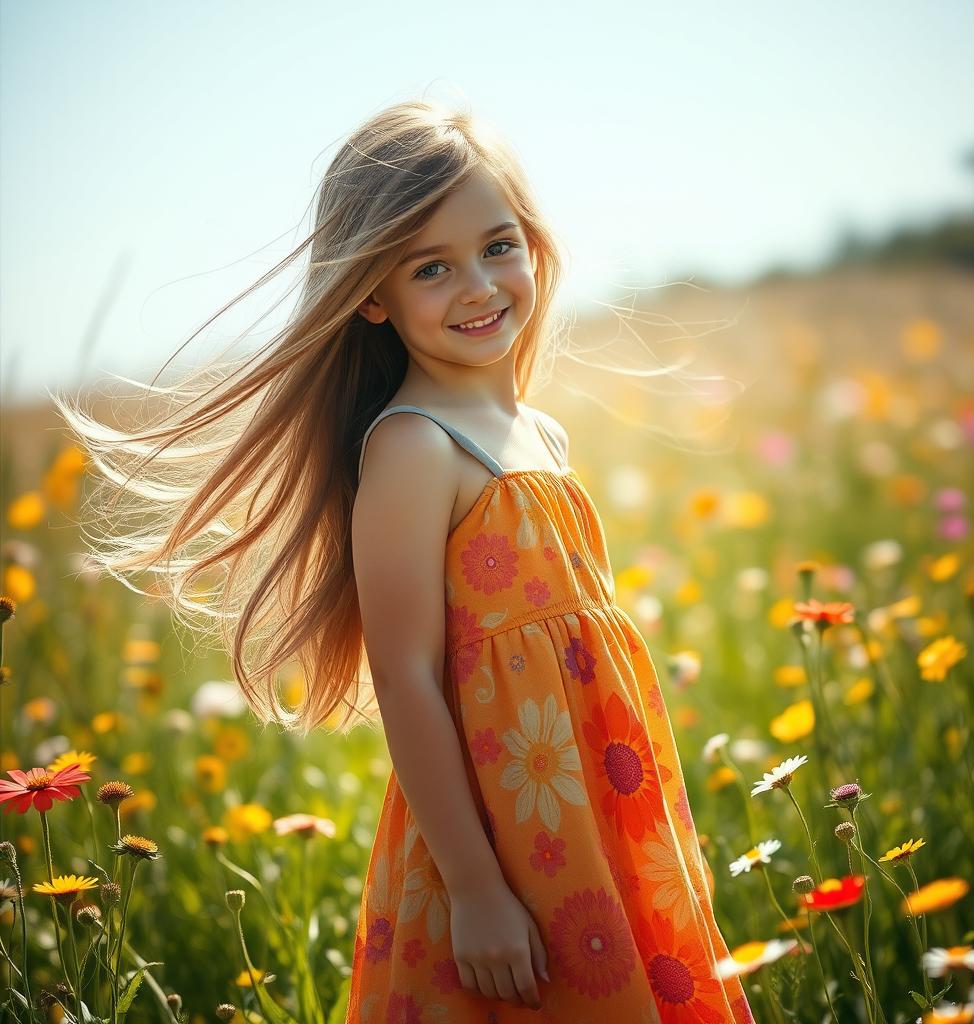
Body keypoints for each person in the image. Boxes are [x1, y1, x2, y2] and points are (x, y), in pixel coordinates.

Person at [52, 99, 754, 1022]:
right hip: (502, 838)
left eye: (499, 245)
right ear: (372, 295)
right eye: (432, 267)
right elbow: (409, 675)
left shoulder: (541, 433)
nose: (478, 285)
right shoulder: (414, 448)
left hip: (599, 816)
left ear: (535, 245)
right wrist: (474, 887)